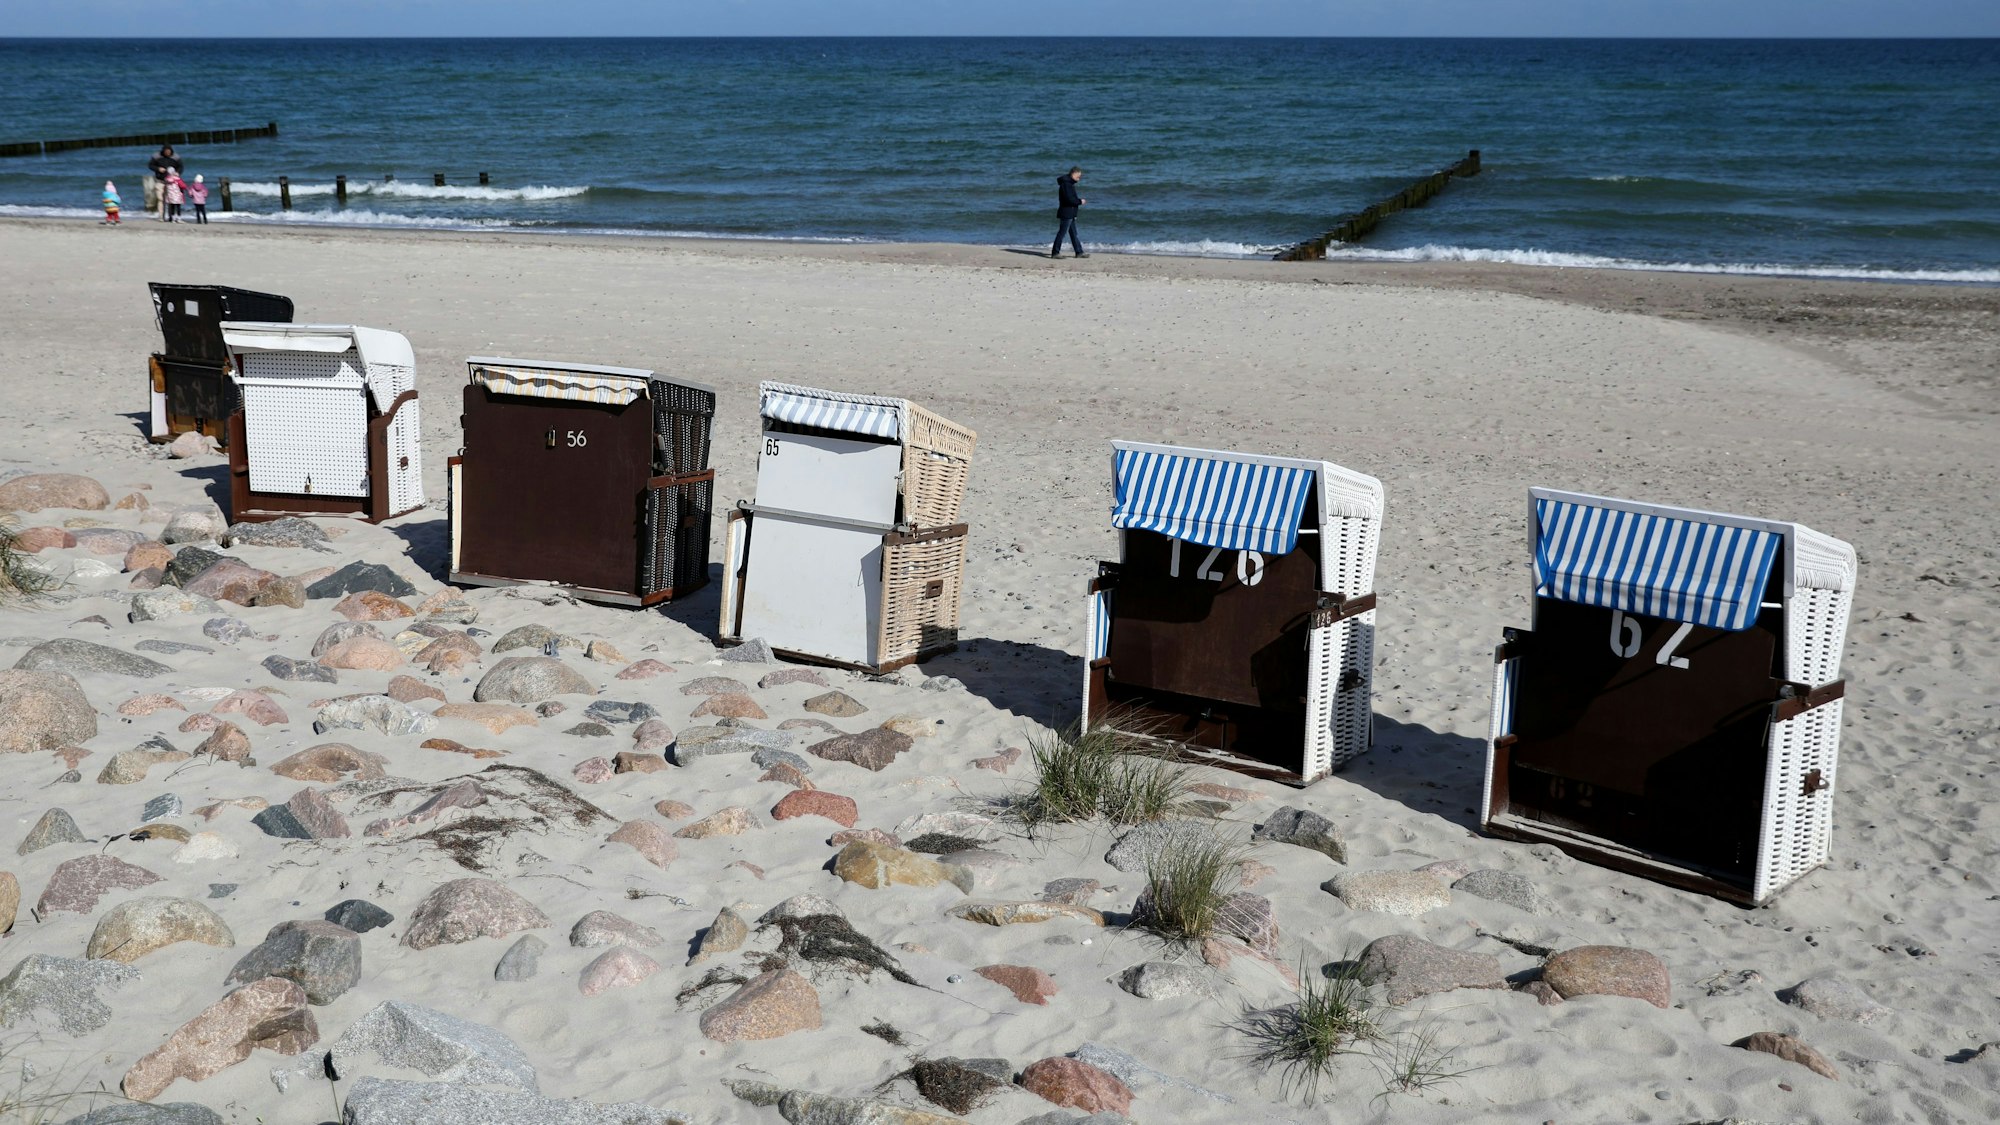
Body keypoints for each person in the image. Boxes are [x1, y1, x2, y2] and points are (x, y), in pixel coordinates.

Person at [1052, 166, 1088, 259]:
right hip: (1066, 212)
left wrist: (1075, 213)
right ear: (1073, 173)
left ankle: (1079, 252)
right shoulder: (1066, 184)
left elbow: (1071, 200)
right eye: (1078, 176)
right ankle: (1055, 252)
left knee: (1073, 233)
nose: (1079, 179)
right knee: (1062, 233)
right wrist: (1080, 201)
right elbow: (1069, 200)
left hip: (1070, 212)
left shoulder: (1069, 184)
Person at [145, 144, 181, 218]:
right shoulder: (156, 156)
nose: (167, 153)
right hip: (160, 180)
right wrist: (158, 169)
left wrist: (177, 172)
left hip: (171, 182)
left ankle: (171, 216)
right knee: (160, 199)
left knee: (171, 199)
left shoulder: (176, 157)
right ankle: (161, 216)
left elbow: (181, 167)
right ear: (163, 151)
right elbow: (150, 165)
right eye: (166, 151)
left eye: (169, 151)